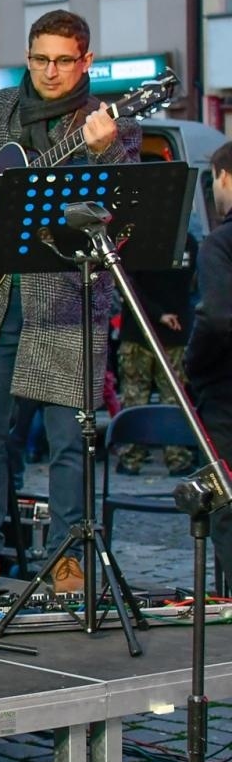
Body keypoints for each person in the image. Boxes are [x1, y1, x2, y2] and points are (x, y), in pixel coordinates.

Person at [0, 10, 140, 595]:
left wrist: (106, 153)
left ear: (86, 61)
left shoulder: (110, 122)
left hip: (67, 301)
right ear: (28, 57)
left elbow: (127, 215)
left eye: (64, 61)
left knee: (69, 439)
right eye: (41, 59)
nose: (51, 72)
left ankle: (68, 559)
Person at [113, 233, 198, 476]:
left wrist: (155, 313)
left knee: (134, 396)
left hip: (138, 330)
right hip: (176, 329)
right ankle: (177, 456)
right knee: (174, 398)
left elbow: (126, 283)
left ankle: (132, 456)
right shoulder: (188, 241)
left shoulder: (137, 240)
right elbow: (191, 284)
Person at [187, 144, 232, 577]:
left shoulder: (220, 243)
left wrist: (193, 367)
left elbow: (216, 316)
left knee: (227, 505)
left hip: (225, 391)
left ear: (223, 177)